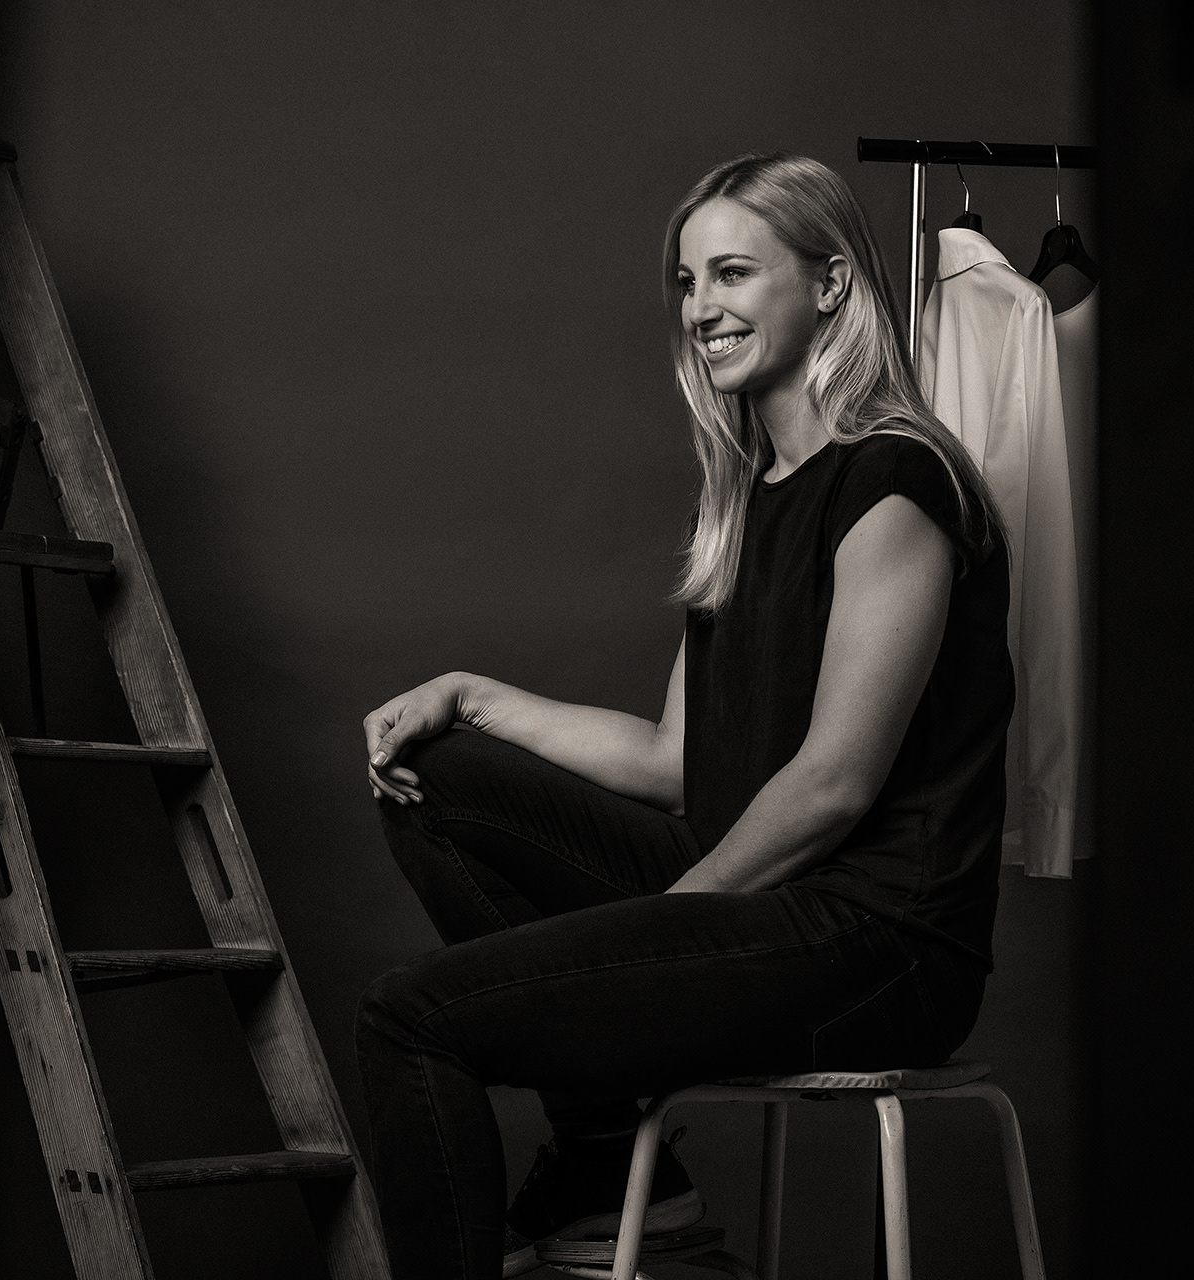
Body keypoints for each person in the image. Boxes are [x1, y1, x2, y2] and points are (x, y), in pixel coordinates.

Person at [354, 152, 1013, 1280]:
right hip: (767, 896)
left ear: (832, 284)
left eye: (734, 273)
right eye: (687, 279)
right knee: (439, 779)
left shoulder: (895, 484)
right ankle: (615, 1160)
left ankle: (598, 1158)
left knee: (411, 1017)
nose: (701, 306)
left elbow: (834, 784)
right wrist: (470, 694)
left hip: (880, 942)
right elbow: (673, 761)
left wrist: (663, 926)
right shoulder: (748, 499)